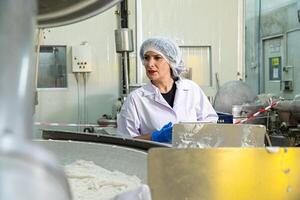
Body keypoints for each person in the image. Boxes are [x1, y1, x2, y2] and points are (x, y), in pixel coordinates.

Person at [117, 37, 218, 143]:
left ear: (171, 61)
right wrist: (154, 137)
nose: (150, 64)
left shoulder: (191, 89)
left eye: (157, 57)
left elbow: (210, 122)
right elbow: (124, 141)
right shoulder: (136, 98)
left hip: (191, 156)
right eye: (146, 58)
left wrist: (194, 135)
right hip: (154, 157)